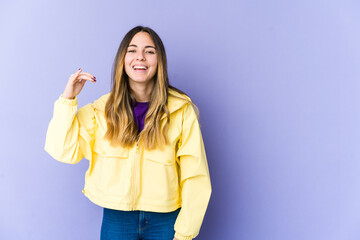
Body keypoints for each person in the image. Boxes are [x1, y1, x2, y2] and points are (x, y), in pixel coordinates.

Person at [44, 25, 212, 240]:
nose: (140, 57)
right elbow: (62, 151)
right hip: (117, 220)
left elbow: (196, 176)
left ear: (159, 60)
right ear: (122, 60)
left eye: (149, 51)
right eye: (132, 50)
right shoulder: (100, 111)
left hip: (167, 220)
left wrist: (185, 233)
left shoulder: (181, 110)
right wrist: (67, 100)